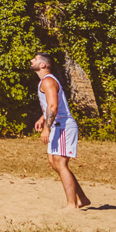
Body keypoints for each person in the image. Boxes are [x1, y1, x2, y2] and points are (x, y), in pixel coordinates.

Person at [31, 53, 90, 209]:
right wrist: (43, 118)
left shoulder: (48, 81)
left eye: (35, 59)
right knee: (54, 163)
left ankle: (72, 204)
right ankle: (82, 198)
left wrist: (46, 128)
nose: (32, 61)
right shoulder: (46, 81)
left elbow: (53, 107)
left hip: (63, 126)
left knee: (60, 163)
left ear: (43, 65)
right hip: (57, 125)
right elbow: (51, 104)